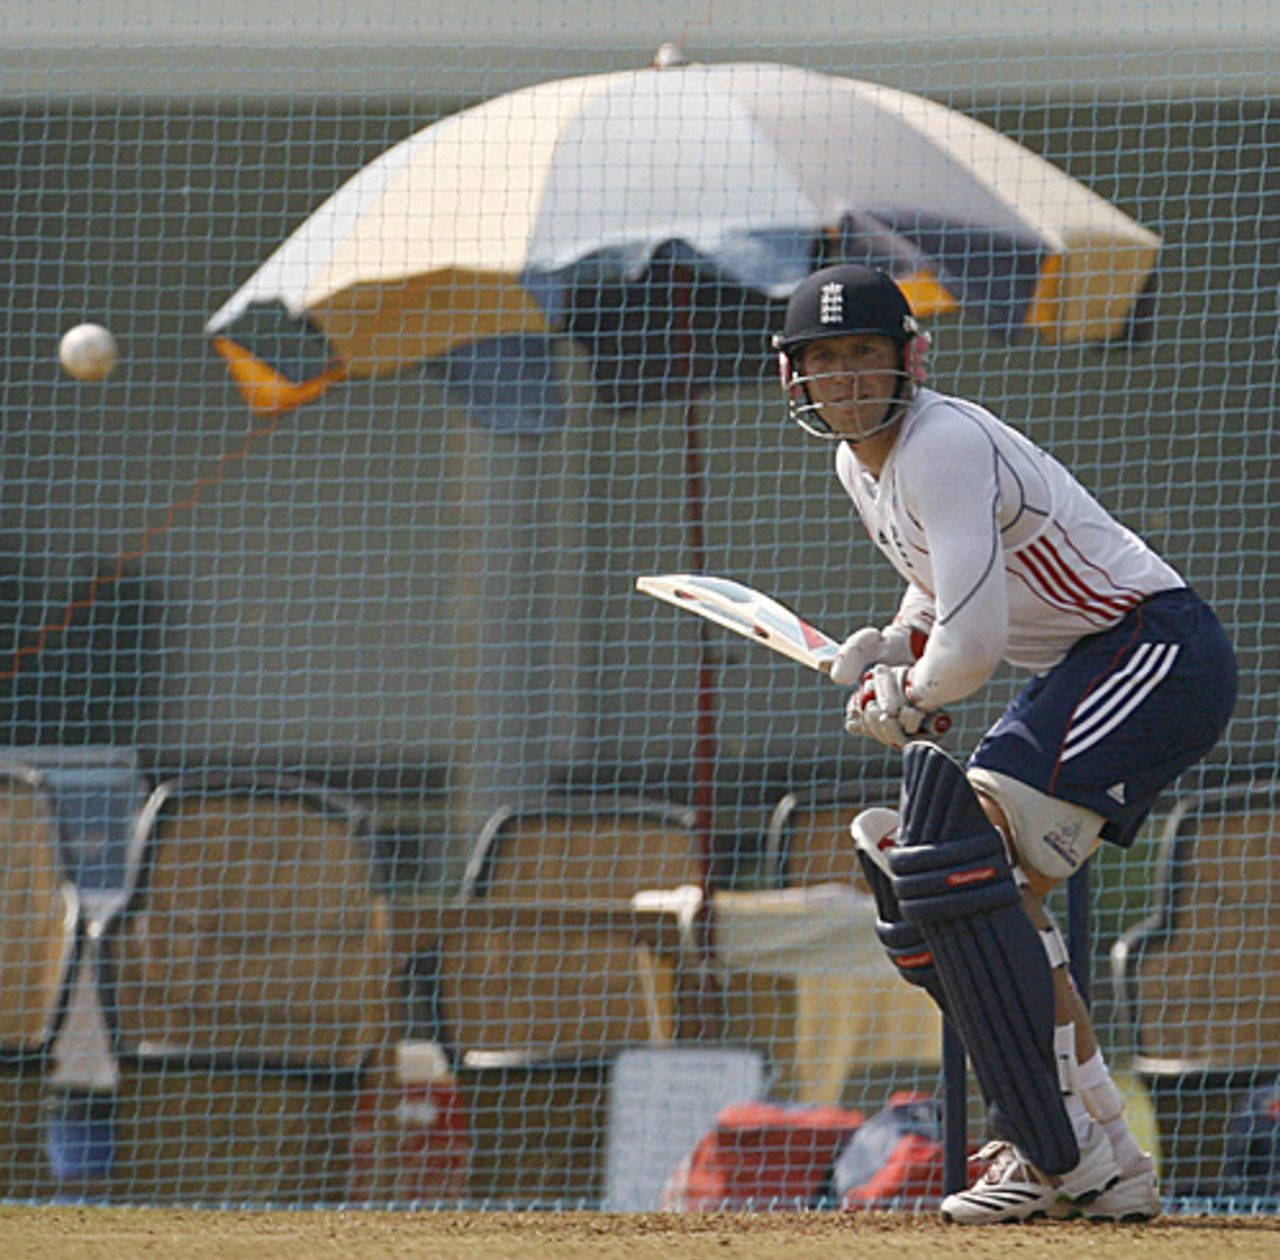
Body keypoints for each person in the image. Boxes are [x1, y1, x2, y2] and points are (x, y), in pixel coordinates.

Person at [772, 264, 1237, 1224]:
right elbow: (940, 595)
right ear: (797, 379)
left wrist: (904, 696)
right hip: (1093, 662)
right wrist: (892, 646)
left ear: (909, 356)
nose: (846, 378)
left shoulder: (941, 443)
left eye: (863, 353)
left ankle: (1054, 1144)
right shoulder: (858, 464)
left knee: (961, 859)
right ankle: (1094, 1154)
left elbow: (974, 650)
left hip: (1152, 648)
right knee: (970, 882)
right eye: (824, 360)